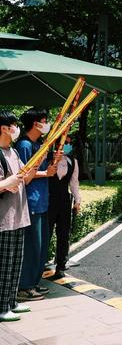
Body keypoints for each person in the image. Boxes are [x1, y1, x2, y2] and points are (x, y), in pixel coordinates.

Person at [16, 108, 57, 301]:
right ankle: (25, 286)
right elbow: (24, 175)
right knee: (33, 245)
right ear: (35, 123)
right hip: (31, 202)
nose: (46, 124)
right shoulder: (24, 145)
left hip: (42, 201)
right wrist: (45, 173)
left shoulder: (40, 144)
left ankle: (34, 282)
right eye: (44, 120)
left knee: (41, 245)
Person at [0, 111, 37, 321]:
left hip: (19, 217)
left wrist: (36, 164)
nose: (16, 129)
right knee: (4, 265)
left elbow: (25, 178)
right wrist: (9, 183)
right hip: (4, 219)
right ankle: (2, 306)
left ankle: (11, 301)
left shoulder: (13, 152)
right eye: (13, 125)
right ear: (4, 128)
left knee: (15, 263)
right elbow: (6, 183)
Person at [48, 136, 81, 279]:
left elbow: (74, 183)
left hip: (64, 201)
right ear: (56, 143)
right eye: (64, 142)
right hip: (48, 200)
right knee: (46, 234)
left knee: (63, 234)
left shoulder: (73, 162)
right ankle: (40, 263)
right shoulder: (47, 158)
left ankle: (61, 265)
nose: (67, 145)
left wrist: (78, 200)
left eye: (69, 142)